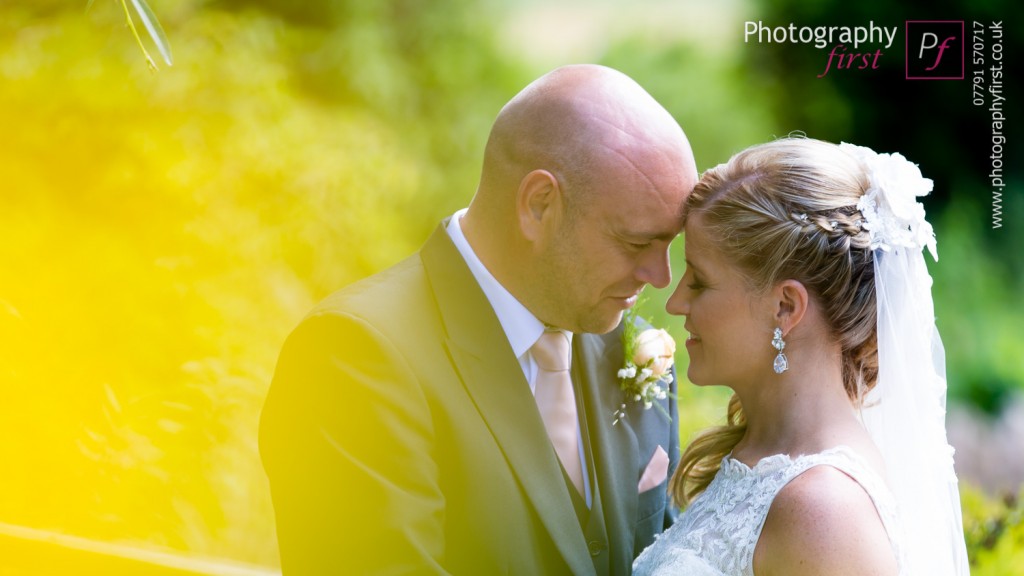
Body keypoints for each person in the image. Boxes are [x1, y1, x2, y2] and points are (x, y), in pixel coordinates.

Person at [259, 64, 698, 575]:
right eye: (636, 242)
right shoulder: (353, 357)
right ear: (538, 206)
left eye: (670, 245)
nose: (661, 276)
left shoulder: (632, 350)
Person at [632, 137, 969, 575]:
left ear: (786, 307)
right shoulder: (765, 453)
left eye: (699, 281)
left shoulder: (825, 511)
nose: (675, 302)